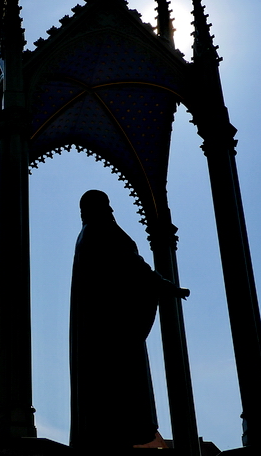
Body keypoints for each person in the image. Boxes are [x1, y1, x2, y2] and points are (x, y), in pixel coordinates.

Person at [69, 190, 189, 451]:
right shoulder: (101, 230)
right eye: (107, 206)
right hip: (114, 329)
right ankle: (130, 432)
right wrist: (168, 286)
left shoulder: (86, 235)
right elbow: (133, 265)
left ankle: (116, 431)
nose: (111, 211)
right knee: (123, 384)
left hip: (101, 329)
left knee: (106, 387)